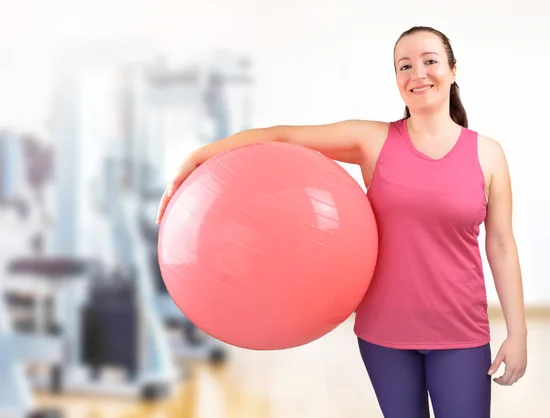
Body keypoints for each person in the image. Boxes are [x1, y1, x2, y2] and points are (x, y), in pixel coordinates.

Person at [155, 25, 527, 417]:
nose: (417, 73)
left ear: (452, 70)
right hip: (384, 334)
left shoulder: (487, 155)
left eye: (430, 61)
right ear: (397, 80)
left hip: (460, 333)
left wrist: (517, 333)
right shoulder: (373, 141)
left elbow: (501, 244)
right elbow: (284, 137)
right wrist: (199, 156)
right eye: (404, 66)